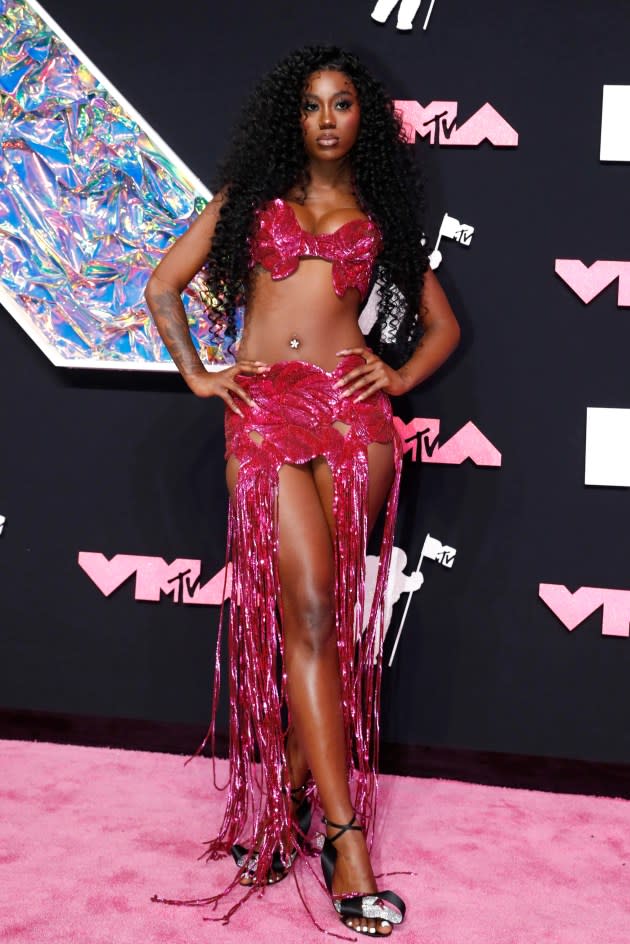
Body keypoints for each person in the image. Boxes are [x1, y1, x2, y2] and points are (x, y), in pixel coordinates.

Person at [145, 44, 460, 938]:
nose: (327, 118)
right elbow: (163, 284)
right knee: (314, 612)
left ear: (365, 120)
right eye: (314, 104)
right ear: (294, 115)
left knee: (323, 624)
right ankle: (346, 838)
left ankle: (286, 806)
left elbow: (442, 327)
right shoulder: (249, 206)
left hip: (354, 423)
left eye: (345, 103)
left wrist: (393, 377)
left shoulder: (379, 218)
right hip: (264, 416)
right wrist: (201, 373)